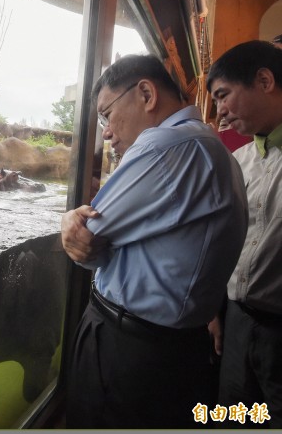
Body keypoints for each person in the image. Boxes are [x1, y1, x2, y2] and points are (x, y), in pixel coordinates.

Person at [61, 54, 248, 428]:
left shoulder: (166, 146)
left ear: (146, 93)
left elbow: (86, 241)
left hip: (129, 351)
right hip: (170, 349)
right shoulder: (214, 150)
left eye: (106, 115)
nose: (106, 132)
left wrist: (71, 222)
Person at [207, 40, 282, 428]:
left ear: (265, 80)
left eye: (224, 95)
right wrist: (214, 311)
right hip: (235, 319)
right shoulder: (238, 161)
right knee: (234, 416)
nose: (219, 110)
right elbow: (224, 239)